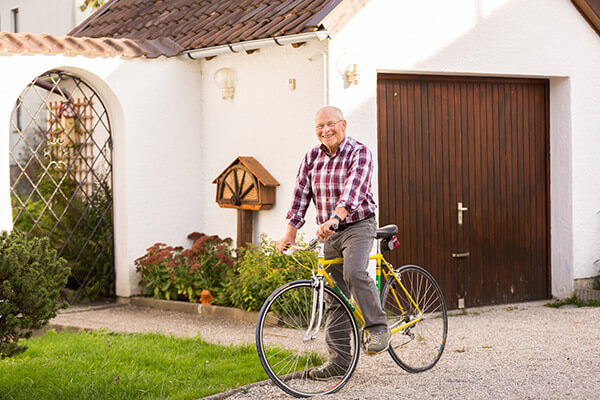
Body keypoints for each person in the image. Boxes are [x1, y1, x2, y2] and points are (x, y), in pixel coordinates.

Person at [277, 106, 390, 381]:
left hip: (358, 224)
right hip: (331, 231)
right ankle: (339, 362)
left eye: (330, 124)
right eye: (319, 126)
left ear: (343, 124)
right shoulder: (311, 157)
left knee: (354, 272)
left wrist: (336, 218)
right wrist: (290, 232)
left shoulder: (359, 152)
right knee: (335, 296)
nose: (325, 130)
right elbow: (301, 195)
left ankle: (378, 328)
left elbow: (354, 189)